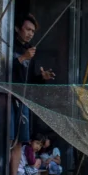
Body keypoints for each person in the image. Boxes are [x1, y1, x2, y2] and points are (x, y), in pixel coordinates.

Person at [11, 14, 56, 145]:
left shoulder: (30, 50)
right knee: (9, 138)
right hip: (10, 97)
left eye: (32, 31)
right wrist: (23, 57)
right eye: (27, 29)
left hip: (23, 98)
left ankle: (15, 167)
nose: (30, 33)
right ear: (17, 29)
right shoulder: (10, 45)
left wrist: (42, 78)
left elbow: (29, 80)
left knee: (20, 141)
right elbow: (5, 70)